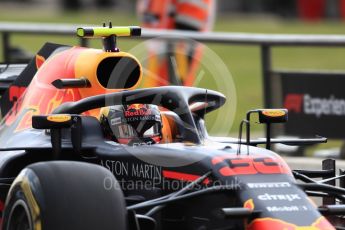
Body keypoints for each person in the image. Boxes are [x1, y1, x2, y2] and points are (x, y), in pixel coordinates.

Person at [137, 0, 216, 87]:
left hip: (178, 40)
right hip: (160, 36)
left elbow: (192, 14)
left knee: (177, 87)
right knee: (156, 86)